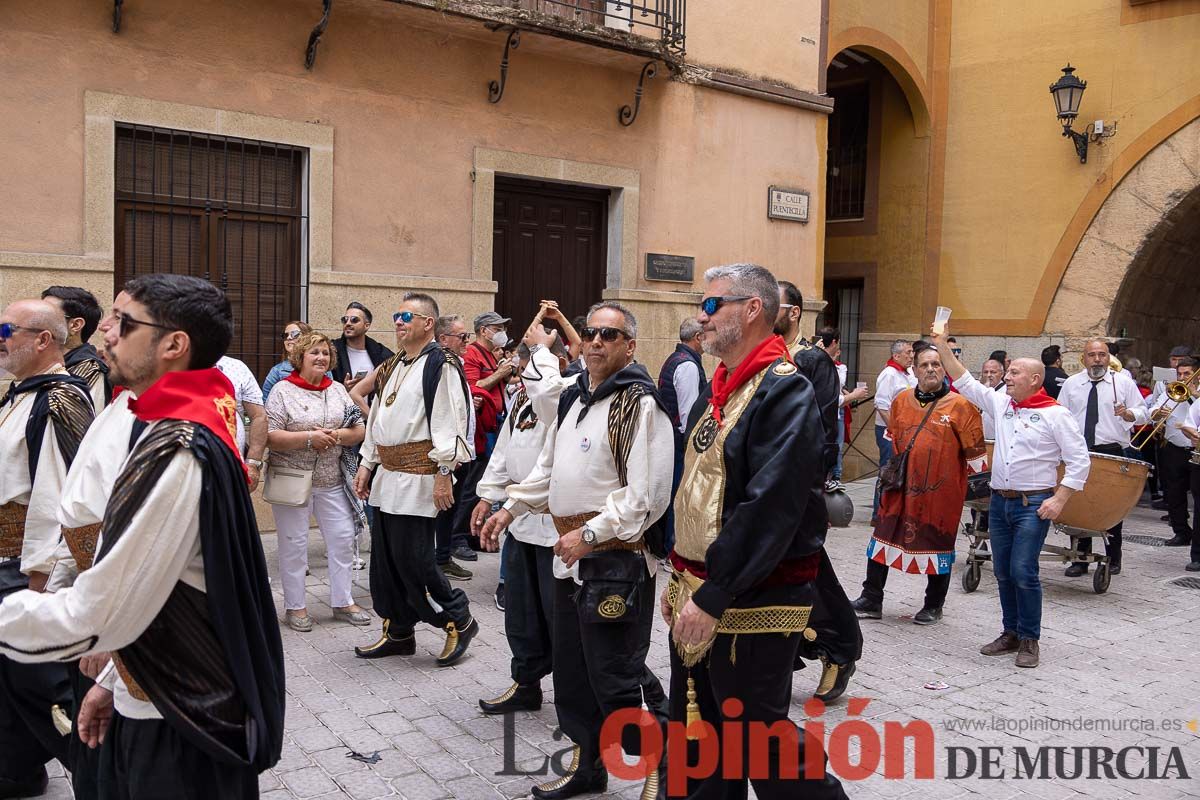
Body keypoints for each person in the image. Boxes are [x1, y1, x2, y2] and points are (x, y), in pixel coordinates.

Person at [0, 275, 286, 796]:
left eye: (124, 322)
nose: (106, 331)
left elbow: (103, 611)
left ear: (174, 344)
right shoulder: (161, 423)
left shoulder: (177, 446)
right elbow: (142, 584)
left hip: (184, 715)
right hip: (150, 689)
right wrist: (115, 681)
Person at [662, 264, 847, 799]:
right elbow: (694, 489)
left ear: (752, 310)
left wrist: (715, 593)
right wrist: (679, 577)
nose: (702, 315)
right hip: (699, 588)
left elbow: (771, 506)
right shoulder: (716, 388)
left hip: (751, 597)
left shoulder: (784, 392)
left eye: (713, 304)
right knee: (700, 740)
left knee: (760, 744)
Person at [480, 301, 672, 800]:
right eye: (591, 333)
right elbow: (547, 472)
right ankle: (589, 768)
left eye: (610, 335)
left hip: (617, 562)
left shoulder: (639, 404)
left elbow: (645, 496)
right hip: (570, 562)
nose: (597, 342)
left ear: (630, 345)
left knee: (614, 674)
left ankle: (664, 762)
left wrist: (589, 535)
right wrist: (510, 508)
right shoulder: (573, 399)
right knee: (573, 674)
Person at [932, 328, 1090, 668]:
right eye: (1008, 372)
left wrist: (1060, 499)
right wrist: (942, 345)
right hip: (1000, 501)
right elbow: (964, 380)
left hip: (1033, 504)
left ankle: (1030, 639)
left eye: (1014, 372)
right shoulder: (1002, 402)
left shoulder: (1055, 414)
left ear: (1035, 379)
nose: (1007, 376)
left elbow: (1080, 461)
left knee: (1023, 570)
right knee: (1003, 570)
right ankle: (1011, 632)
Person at [353, 292, 478, 666]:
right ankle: (399, 631)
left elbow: (451, 421)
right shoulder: (391, 365)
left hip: (421, 478)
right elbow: (377, 420)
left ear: (428, 324)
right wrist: (366, 463)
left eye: (407, 316)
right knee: (387, 561)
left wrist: (444, 474)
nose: (399, 321)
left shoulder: (442, 365)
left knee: (417, 561)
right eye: (396, 315)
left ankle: (459, 619)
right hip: (388, 478)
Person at [0, 299, 94, 798]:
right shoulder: (21, 395)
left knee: (40, 682)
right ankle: (17, 770)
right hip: (7, 563)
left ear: (43, 340)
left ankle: (94, 768)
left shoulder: (60, 399)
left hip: (25, 568)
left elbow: (59, 498)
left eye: (6, 328)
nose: (0, 337)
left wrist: (38, 578)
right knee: (8, 676)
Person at [471, 335, 571, 716]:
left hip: (553, 528)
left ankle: (571, 694)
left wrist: (542, 352)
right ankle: (526, 682)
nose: (522, 378)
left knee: (556, 616)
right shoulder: (523, 401)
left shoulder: (564, 395)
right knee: (521, 612)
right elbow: (504, 452)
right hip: (518, 520)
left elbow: (546, 395)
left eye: (528, 369)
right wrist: (486, 494)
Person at [851, 346, 986, 625]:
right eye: (924, 365)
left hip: (940, 494)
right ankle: (871, 598)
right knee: (882, 538)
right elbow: (894, 440)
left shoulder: (961, 406)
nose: (931, 369)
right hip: (900, 488)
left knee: (937, 543)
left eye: (936, 364)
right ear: (914, 370)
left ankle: (933, 604)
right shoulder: (901, 400)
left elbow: (976, 455)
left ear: (944, 369)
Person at [774, 287, 862, 703]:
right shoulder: (766, 356)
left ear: (792, 312)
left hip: (796, 492)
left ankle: (839, 649)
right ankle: (778, 657)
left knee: (808, 574)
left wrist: (803, 486)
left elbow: (823, 432)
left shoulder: (811, 359)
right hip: (762, 491)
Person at [265, 330, 370, 632]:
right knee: (294, 544)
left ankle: (342, 600)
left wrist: (334, 436)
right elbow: (271, 436)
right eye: (315, 352)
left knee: (342, 537)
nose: (322, 357)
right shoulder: (282, 391)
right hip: (291, 478)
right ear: (300, 357)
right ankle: (295, 607)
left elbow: (359, 429)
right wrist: (309, 438)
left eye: (325, 352)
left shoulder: (337, 389)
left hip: (330, 479)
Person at [1057, 339, 1147, 577]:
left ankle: (1112, 557)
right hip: (1078, 449)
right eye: (1092, 355)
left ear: (1109, 358)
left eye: (1102, 355)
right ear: (1084, 359)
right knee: (1077, 501)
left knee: (1111, 503)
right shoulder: (1072, 384)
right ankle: (1080, 558)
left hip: (1111, 450)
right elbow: (1060, 413)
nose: (1097, 359)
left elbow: (1143, 412)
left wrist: (1128, 414)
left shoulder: (1123, 383)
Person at [433, 314, 479, 580]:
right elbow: (442, 415)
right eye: (462, 336)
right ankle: (438, 560)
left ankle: (443, 557)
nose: (466, 341)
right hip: (450, 454)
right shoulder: (440, 366)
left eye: (467, 336)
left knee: (451, 508)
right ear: (443, 339)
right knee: (443, 507)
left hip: (464, 450)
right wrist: (449, 456)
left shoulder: (456, 364)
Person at [656, 317, 707, 554]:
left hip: (672, 440)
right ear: (698, 337)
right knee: (677, 495)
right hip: (679, 444)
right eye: (705, 335)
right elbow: (688, 414)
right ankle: (671, 547)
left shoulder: (677, 358)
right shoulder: (687, 365)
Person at [814, 327, 868, 484]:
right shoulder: (818, 365)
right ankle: (829, 479)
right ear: (835, 342)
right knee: (829, 450)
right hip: (824, 416)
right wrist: (853, 396)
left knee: (836, 450)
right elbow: (826, 398)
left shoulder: (839, 367)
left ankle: (835, 479)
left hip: (836, 414)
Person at [42, 286, 110, 410]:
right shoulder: (43, 365)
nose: (35, 320)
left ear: (75, 325)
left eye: (46, 314)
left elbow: (83, 426)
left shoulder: (91, 371)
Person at [1152, 358, 1196, 549]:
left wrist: (1193, 395)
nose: (1182, 378)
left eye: (1187, 374)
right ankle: (1181, 532)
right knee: (1174, 493)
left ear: (1197, 374)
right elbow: (1152, 410)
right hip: (1174, 449)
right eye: (1180, 374)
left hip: (1197, 450)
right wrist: (1158, 413)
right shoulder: (1171, 390)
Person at [873, 339, 916, 511]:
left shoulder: (908, 373)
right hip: (888, 430)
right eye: (908, 353)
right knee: (888, 469)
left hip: (905, 429)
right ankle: (879, 511)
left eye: (912, 352)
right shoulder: (889, 374)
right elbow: (882, 405)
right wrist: (895, 430)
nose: (912, 356)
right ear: (896, 355)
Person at [217, 354, 267, 492]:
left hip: (232, 467)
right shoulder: (172, 363)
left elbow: (259, 416)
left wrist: (253, 463)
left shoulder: (237, 368)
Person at [332, 301, 395, 396]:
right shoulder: (332, 350)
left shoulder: (382, 354)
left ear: (367, 326)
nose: (348, 323)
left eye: (354, 320)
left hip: (371, 409)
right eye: (345, 320)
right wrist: (343, 389)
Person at [262, 320, 314, 400]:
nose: (289, 338)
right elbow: (266, 401)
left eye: (294, 334)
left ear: (307, 337)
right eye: (285, 335)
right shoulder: (277, 371)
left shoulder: (319, 366)